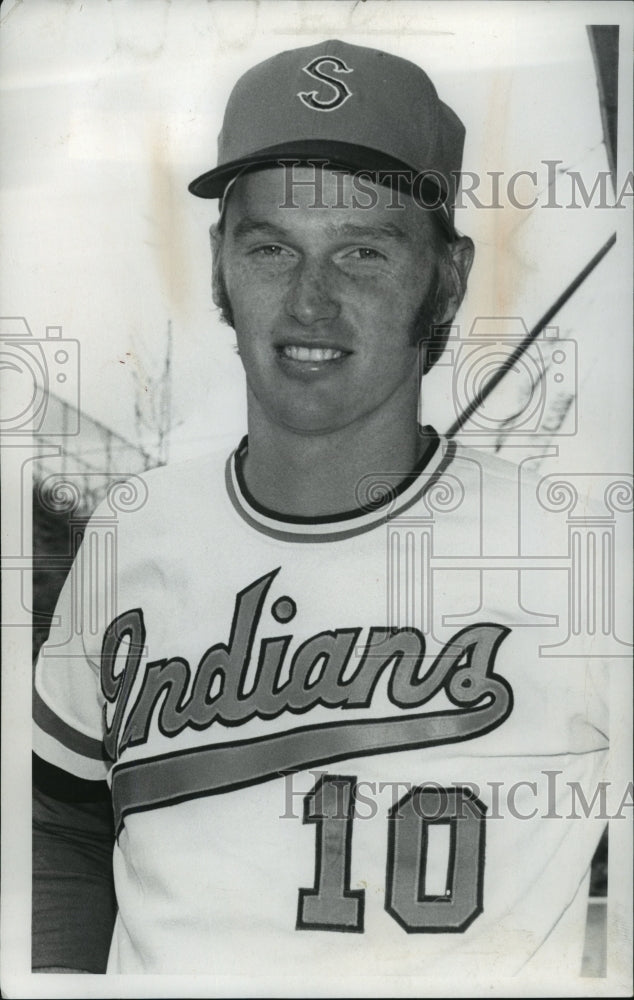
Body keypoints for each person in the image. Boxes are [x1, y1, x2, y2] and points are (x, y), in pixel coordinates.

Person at [33, 39, 608, 982]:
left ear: (449, 277)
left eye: (363, 252)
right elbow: (58, 816)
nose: (310, 301)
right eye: (271, 248)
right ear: (220, 263)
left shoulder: (586, 560)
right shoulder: (132, 530)